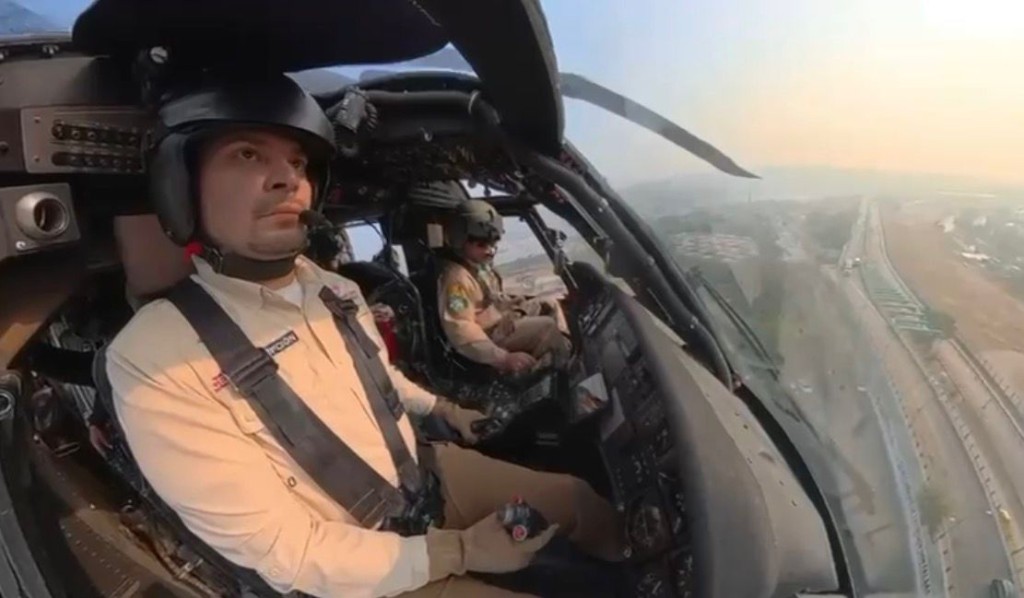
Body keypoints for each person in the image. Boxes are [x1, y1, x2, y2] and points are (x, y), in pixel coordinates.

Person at [105, 72, 624, 598]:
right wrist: (458, 551)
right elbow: (288, 551)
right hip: (358, 562)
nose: (287, 178)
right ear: (181, 187)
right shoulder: (153, 356)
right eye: (247, 154)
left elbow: (378, 376)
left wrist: (444, 410)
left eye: (298, 163)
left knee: (578, 501)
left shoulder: (335, 290)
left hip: (425, 477)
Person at [437, 200, 572, 374]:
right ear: (460, 241)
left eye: (493, 244)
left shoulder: (479, 267)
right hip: (489, 337)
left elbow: (491, 299)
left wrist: (514, 304)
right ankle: (555, 372)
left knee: (550, 303)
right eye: (481, 245)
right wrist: (503, 358)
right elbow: (461, 329)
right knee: (547, 327)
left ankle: (564, 345)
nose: (490, 251)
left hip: (501, 321)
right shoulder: (457, 280)